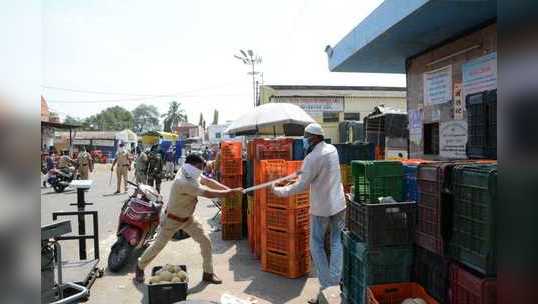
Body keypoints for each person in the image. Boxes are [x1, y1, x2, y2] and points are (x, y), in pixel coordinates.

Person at [135, 153, 243, 284]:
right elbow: (207, 193)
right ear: (192, 166)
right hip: (171, 220)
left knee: (205, 242)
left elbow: (208, 181)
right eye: (199, 167)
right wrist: (230, 193)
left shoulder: (190, 172)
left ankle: (208, 273)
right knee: (158, 246)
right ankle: (140, 267)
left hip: (188, 218)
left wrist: (229, 189)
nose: (202, 170)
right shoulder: (182, 181)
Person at [271, 123, 346, 304]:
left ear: (314, 138)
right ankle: (335, 281)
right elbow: (314, 175)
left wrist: (279, 191)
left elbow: (302, 185)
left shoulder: (312, 158)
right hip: (339, 204)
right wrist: (300, 174)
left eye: (306, 136)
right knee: (337, 242)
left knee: (316, 245)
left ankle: (326, 286)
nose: (304, 140)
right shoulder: (332, 150)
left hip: (321, 208)